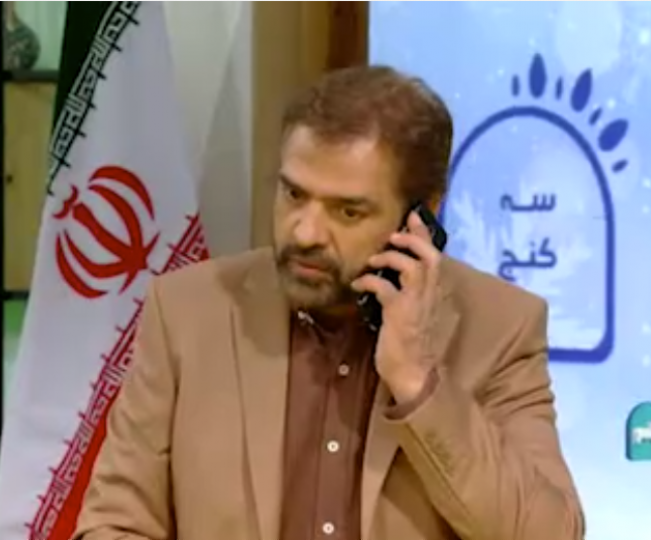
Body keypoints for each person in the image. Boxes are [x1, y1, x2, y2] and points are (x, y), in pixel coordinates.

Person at [73, 65, 584, 540]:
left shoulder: (500, 327)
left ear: (423, 214)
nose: (306, 233)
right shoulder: (187, 312)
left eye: (348, 211)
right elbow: (114, 523)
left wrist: (417, 381)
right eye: (294, 195)